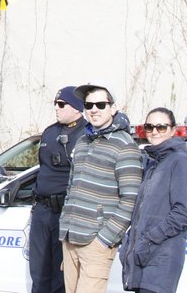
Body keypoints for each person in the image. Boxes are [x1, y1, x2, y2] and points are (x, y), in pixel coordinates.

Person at [59, 83, 142, 293]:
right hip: (70, 237)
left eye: (100, 104)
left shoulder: (124, 145)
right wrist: (65, 225)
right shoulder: (83, 140)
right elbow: (71, 187)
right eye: (89, 105)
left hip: (95, 242)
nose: (94, 109)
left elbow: (130, 199)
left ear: (113, 109)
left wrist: (103, 240)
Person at [121, 108, 187, 293]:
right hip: (142, 257)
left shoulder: (179, 161)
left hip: (162, 256)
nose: (154, 132)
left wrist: (148, 240)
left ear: (172, 130)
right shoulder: (152, 162)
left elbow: (182, 214)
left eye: (161, 127)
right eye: (150, 127)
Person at [31, 87, 87, 293]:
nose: (56, 107)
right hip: (42, 211)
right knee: (38, 271)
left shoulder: (86, 135)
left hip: (66, 212)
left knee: (61, 275)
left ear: (77, 108)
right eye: (55, 103)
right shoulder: (49, 132)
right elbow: (41, 170)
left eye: (61, 104)